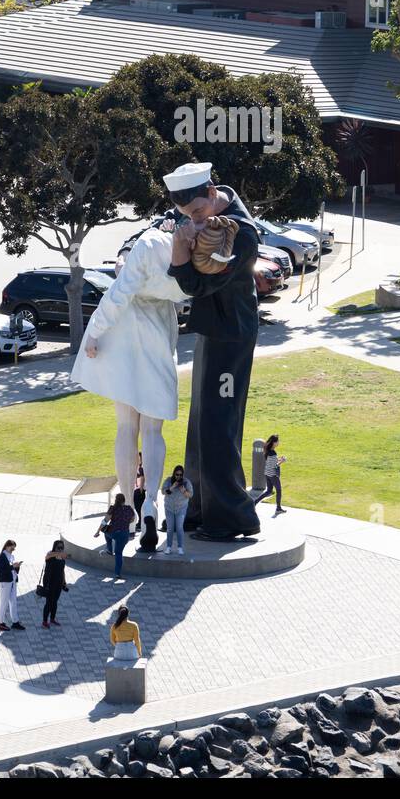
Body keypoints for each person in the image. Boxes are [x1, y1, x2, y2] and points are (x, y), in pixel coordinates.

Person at [70, 220, 190, 533]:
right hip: (158, 339)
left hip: (125, 337)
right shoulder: (185, 257)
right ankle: (150, 501)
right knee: (153, 431)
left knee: (126, 426)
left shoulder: (148, 245)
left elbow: (118, 294)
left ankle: (127, 503)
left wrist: (94, 332)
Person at [164, 161, 261, 540]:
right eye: (189, 216)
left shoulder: (243, 234)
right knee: (201, 425)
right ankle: (198, 509)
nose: (196, 222)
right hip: (213, 331)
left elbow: (198, 287)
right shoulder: (201, 212)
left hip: (231, 336)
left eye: (199, 213)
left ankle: (232, 518)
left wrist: (179, 249)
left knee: (219, 426)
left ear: (212, 191)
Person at [0, 540, 26, 632]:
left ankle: (15, 622)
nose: (13, 549)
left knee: (13, 602)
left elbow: (11, 569)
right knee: (4, 603)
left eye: (14, 548)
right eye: (12, 547)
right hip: (5, 583)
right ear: (7, 546)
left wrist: (17, 567)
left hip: (12, 582)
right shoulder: (2, 557)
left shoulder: (11, 556)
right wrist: (13, 567)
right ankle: (1, 623)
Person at [162, 465, 194, 555]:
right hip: (169, 508)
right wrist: (172, 487)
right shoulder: (168, 480)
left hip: (181, 508)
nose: (178, 477)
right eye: (177, 474)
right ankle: (168, 547)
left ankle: (180, 547)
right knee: (170, 528)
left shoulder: (186, 482)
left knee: (179, 528)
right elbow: (163, 491)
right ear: (174, 474)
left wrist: (184, 491)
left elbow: (190, 495)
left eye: (180, 475)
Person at [40, 541, 68, 629]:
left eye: (61, 548)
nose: (60, 549)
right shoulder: (50, 555)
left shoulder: (62, 558)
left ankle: (52, 619)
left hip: (59, 582)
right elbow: (47, 556)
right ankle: (44, 621)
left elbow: (62, 571)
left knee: (55, 601)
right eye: (58, 547)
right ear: (54, 547)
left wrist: (64, 582)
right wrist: (58, 553)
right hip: (49, 583)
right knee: (49, 602)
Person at [256, 435, 287, 513]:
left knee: (269, 491)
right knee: (279, 490)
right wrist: (282, 461)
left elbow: (271, 461)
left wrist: (279, 458)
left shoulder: (268, 450)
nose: (278, 443)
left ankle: (254, 502)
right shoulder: (273, 452)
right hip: (273, 475)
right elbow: (274, 465)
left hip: (267, 473)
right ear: (273, 443)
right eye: (277, 441)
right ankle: (278, 508)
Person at [133, 453, 146, 533]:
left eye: (139, 458)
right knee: (138, 507)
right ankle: (140, 523)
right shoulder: (137, 467)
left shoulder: (141, 468)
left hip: (139, 490)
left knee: (139, 508)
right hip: (136, 489)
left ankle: (141, 523)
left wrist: (141, 489)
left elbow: (142, 478)